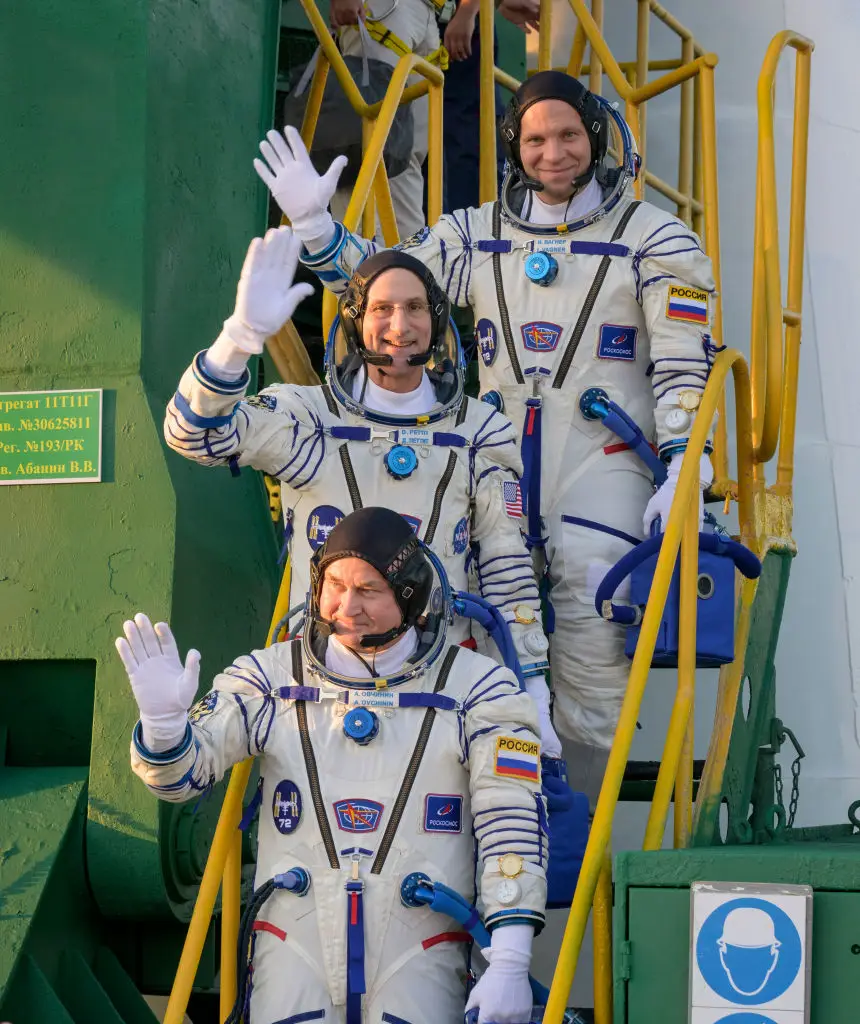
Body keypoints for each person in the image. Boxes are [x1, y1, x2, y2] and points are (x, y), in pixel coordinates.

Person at [253, 70, 718, 805]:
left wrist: (686, 469)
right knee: (456, 626)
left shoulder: (655, 239)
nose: (552, 153)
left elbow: (684, 365)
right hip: (490, 463)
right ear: (514, 145)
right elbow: (387, 288)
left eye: (568, 135)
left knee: (594, 629)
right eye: (535, 139)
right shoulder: (478, 235)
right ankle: (479, 825)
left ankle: (576, 824)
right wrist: (319, 231)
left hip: (604, 469)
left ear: (597, 139)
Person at [120, 506, 548, 1023]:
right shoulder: (270, 677)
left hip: (422, 944)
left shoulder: (479, 690)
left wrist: (508, 961)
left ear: (410, 595)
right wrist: (165, 727)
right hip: (293, 941)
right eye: (335, 586)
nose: (348, 606)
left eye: (369, 590)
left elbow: (512, 825)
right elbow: (184, 777)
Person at [164, 225, 560, 756]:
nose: (401, 325)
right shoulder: (311, 420)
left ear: (437, 318)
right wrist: (236, 341)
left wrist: (532, 687)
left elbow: (507, 570)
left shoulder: (478, 431)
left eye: (417, 307)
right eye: (382, 309)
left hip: (444, 685)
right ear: (355, 320)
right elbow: (192, 435)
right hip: (325, 688)